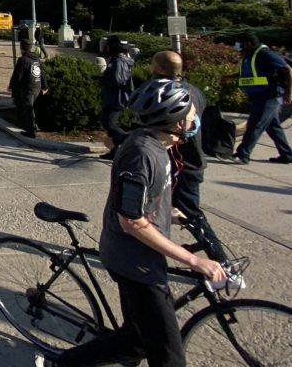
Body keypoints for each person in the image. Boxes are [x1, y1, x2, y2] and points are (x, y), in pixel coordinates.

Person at [38, 78, 226, 367]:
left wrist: (170, 214)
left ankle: (66, 363)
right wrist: (193, 260)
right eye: (191, 116)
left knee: (136, 341)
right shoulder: (141, 154)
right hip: (135, 263)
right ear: (176, 124)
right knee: (168, 356)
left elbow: (145, 200)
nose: (196, 120)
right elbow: (132, 221)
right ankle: (64, 363)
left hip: (141, 257)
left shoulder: (158, 147)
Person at [151, 50, 228, 263]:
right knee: (159, 212)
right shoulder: (193, 90)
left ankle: (222, 263)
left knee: (191, 215)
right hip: (189, 161)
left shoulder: (165, 93)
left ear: (158, 69)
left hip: (180, 166)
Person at [231, 32, 292, 164]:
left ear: (249, 43)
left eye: (239, 42)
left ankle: (243, 154)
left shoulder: (265, 54)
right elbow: (249, 74)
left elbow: (289, 71)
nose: (237, 45)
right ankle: (288, 154)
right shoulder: (250, 55)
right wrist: (229, 77)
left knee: (255, 124)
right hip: (259, 95)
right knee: (273, 127)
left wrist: (288, 93)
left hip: (269, 96)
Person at [99, 35, 135, 160]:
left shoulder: (119, 61)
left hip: (117, 98)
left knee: (110, 123)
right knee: (106, 121)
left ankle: (128, 139)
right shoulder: (116, 60)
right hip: (112, 96)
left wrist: (103, 80)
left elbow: (118, 80)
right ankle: (115, 150)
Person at [8, 38, 48, 138]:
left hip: (28, 88)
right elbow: (42, 73)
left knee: (28, 109)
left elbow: (17, 75)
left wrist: (11, 86)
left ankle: (31, 131)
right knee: (32, 107)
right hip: (37, 87)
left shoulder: (22, 60)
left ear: (21, 48)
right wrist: (45, 86)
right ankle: (34, 126)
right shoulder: (36, 58)